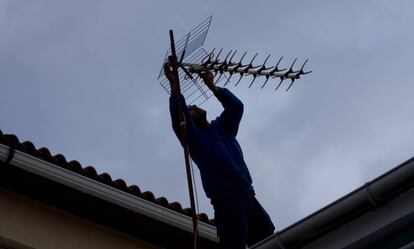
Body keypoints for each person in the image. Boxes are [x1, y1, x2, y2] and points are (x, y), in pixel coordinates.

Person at [164, 63, 275, 248]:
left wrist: (213, 87)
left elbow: (236, 107)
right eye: (190, 108)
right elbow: (179, 120)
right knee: (234, 245)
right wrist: (175, 88)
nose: (194, 107)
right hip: (227, 202)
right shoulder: (195, 140)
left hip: (248, 194)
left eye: (193, 106)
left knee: (266, 234)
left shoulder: (222, 127)